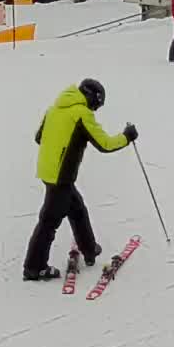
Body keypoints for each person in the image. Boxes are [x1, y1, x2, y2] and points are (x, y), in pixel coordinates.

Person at [23, 78, 136, 281]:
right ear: (93, 98)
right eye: (96, 105)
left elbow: (39, 137)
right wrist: (127, 136)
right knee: (48, 222)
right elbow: (105, 144)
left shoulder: (54, 109)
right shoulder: (81, 114)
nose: (95, 110)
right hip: (61, 176)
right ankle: (34, 267)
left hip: (48, 171)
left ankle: (89, 249)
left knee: (77, 209)